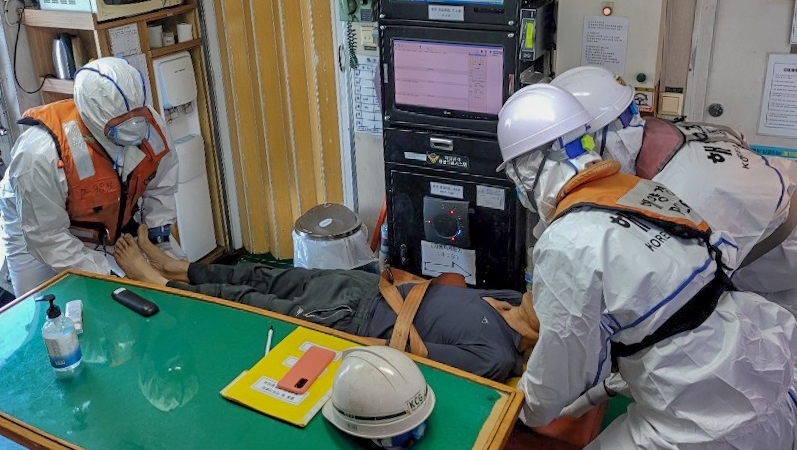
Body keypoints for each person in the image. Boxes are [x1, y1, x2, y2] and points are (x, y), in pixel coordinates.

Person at [498, 83, 797, 448]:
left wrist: (522, 409)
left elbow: (562, 365)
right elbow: (671, 314)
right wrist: (600, 390)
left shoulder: (567, 241)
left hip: (709, 421)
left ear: (526, 170)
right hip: (766, 368)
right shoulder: (644, 191)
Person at [112, 225, 538, 382]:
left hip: (353, 319)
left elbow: (411, 356)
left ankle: (157, 284)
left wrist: (348, 345)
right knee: (266, 275)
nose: (545, 292)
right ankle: (178, 266)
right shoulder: (511, 299)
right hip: (365, 287)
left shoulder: (496, 356)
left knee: (249, 302)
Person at [551, 65, 797, 315]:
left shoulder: (684, 187)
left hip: (782, 257)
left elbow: (680, 289)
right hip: (778, 196)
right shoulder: (659, 134)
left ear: (601, 137)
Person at [0, 58, 183, 296]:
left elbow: (161, 186)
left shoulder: (150, 126)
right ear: (94, 121)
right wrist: (108, 276)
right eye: (121, 125)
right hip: (36, 225)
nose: (135, 131)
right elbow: (47, 237)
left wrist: (159, 242)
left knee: (162, 280)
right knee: (41, 302)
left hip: (108, 218)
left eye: (138, 117)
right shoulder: (39, 155)